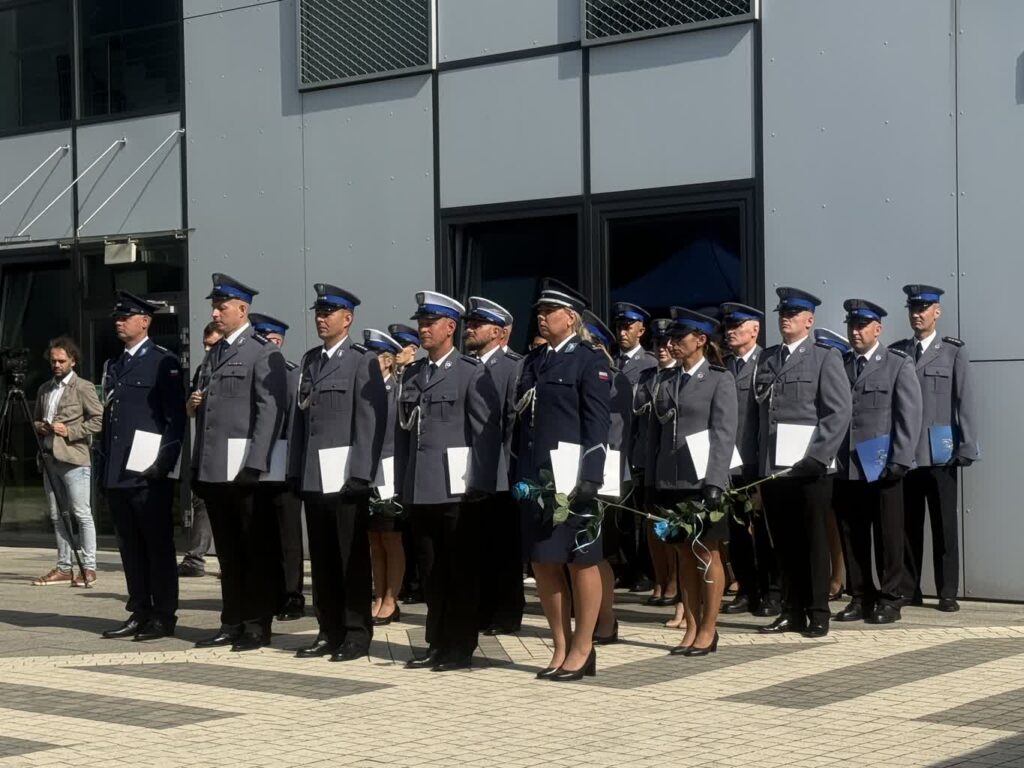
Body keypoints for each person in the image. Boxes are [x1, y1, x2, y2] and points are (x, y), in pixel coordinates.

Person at [396, 291, 501, 672]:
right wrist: (401, 484)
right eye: (421, 323)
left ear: (450, 327)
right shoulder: (414, 373)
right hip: (421, 487)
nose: (423, 329)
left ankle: (460, 644)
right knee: (430, 570)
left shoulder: (470, 372)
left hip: (458, 489)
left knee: (460, 570)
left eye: (430, 323)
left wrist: (481, 484)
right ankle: (437, 641)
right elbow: (404, 435)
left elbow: (485, 434)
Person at [513, 279, 610, 681]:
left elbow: (598, 423)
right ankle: (560, 644)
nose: (541, 317)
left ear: (570, 318)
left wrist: (592, 475)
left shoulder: (588, 360)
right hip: (538, 478)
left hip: (573, 477)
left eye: (549, 311)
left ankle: (584, 646)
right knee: (543, 560)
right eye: (539, 311)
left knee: (580, 560)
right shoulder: (533, 361)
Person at [289, 283, 387, 662]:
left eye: (328, 313)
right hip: (316, 476)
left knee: (351, 558)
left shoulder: (361, 361)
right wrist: (296, 470)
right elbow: (302, 420)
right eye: (318, 312)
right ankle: (327, 630)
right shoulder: (311, 360)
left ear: (347, 319)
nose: (321, 318)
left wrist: (361, 473)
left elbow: (369, 421)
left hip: (346, 478)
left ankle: (356, 633)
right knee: (323, 559)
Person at [191, 273, 288, 652]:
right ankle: (231, 620)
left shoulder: (262, 352)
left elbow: (269, 412)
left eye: (222, 307)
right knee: (228, 554)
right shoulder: (214, 353)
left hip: (246, 472)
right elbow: (208, 415)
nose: (215, 313)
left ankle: (256, 624)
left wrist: (255, 464)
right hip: (216, 470)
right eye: (215, 307)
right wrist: (198, 466)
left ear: (242, 309)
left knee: (254, 551)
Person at [754, 287, 851, 639]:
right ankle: (791, 610)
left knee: (813, 541)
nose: (785, 319)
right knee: (784, 542)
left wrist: (818, 456)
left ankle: (817, 611)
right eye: (782, 313)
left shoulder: (824, 357)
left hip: (811, 468)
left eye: (793, 314)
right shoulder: (768, 358)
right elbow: (759, 416)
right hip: (776, 468)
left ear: (809, 321)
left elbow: (838, 412)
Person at [97, 292, 186, 640]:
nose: (119, 323)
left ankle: (163, 615)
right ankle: (140, 609)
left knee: (157, 546)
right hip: (118, 470)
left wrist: (164, 464)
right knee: (130, 547)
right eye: (117, 318)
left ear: (145, 321)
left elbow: (174, 419)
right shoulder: (114, 364)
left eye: (126, 317)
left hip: (149, 472)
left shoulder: (163, 362)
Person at [650, 308, 737, 656]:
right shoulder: (667, 379)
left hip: (702, 481)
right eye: (670, 337)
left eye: (679, 337)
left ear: (700, 340)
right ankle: (690, 625)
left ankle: (709, 628)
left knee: (706, 553)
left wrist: (716, 480)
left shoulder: (719, 379)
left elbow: (724, 433)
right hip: (671, 479)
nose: (672, 343)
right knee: (682, 556)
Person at [832, 299, 922, 625]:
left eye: (861, 325)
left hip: (883, 466)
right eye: (851, 325)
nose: (855, 332)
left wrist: (901, 458)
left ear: (877, 329)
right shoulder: (840, 364)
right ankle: (860, 596)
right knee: (852, 534)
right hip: (848, 466)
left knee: (888, 534)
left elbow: (909, 415)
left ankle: (891, 597)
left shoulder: (897, 364)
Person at [891, 284, 979, 613]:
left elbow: (964, 400)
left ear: (936, 312)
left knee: (944, 525)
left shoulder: (953, 351)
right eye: (912, 309)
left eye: (923, 309)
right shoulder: (898, 352)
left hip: (941, 453)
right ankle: (908, 589)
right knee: (908, 524)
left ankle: (947, 591)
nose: (917, 314)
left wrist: (966, 445)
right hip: (907, 453)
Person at [464, 296, 525, 636]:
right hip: (467, 471)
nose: (470, 329)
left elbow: (511, 424)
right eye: (470, 324)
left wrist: (504, 474)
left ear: (500, 332)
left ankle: (506, 613)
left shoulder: (512, 367)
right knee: (476, 547)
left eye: (478, 324)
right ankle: (482, 610)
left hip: (498, 474)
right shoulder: (467, 366)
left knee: (503, 548)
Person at [719, 302, 779, 618]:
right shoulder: (725, 367)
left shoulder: (766, 363)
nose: (730, 332)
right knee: (737, 531)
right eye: (728, 327)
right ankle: (747, 589)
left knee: (764, 532)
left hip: (756, 462)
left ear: (754, 329)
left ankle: (772, 591)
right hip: (730, 463)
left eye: (736, 326)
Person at [31, 337, 103, 587]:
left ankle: (89, 567)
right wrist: (41, 427)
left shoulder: (82, 387)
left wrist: (70, 431)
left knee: (81, 513)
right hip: (49, 458)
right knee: (57, 515)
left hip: (74, 458)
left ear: (73, 361)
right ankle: (64, 567)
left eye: (61, 361)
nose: (57, 365)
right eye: (53, 361)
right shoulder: (45, 389)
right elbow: (36, 418)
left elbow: (98, 420)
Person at [249, 313, 305, 621]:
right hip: (256, 466)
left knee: (288, 536)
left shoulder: (291, 374)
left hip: (284, 465)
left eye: (271, 340)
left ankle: (292, 595)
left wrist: (294, 467)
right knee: (263, 534)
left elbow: (295, 423)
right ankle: (269, 593)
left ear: (280, 342)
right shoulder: (251, 372)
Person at [581, 310, 629, 645]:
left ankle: (606, 618)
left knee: (598, 551)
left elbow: (616, 432)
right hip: (578, 467)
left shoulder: (613, 378)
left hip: (605, 470)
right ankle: (591, 615)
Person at [635, 319, 682, 621]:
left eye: (667, 344)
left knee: (673, 526)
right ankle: (660, 579)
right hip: (647, 458)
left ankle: (675, 581)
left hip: (672, 460)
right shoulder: (647, 376)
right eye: (657, 344)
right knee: (652, 524)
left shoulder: (680, 376)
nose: (662, 349)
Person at [612, 302, 657, 593]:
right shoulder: (611, 361)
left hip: (636, 447)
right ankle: (625, 567)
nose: (622, 332)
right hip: (615, 446)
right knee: (619, 513)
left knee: (640, 513)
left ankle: (645, 571)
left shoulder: (648, 363)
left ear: (641, 330)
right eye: (619, 327)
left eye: (628, 327)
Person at [362, 328, 404, 626]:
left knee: (390, 537)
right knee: (373, 539)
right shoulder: (365, 390)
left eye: (375, 357)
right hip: (368, 470)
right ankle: (378, 595)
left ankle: (391, 598)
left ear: (388, 361)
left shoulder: (397, 391)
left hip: (389, 470)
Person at [178, 323, 222, 578]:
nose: (207, 350)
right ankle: (195, 559)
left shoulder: (232, 368)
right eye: (205, 344)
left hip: (226, 451)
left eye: (212, 345)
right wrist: (192, 404)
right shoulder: (202, 370)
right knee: (201, 502)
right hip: (203, 448)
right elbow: (189, 412)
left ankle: (232, 561)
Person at [389, 322, 426, 605]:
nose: (396, 353)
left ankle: (415, 583)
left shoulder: (416, 376)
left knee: (415, 533)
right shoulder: (396, 378)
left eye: (400, 347)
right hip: (399, 464)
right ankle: (405, 583)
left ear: (412, 350)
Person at [814, 327, 852, 599]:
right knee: (825, 519)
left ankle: (839, 576)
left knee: (839, 520)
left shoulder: (843, 375)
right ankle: (829, 575)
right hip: (819, 456)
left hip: (843, 456)